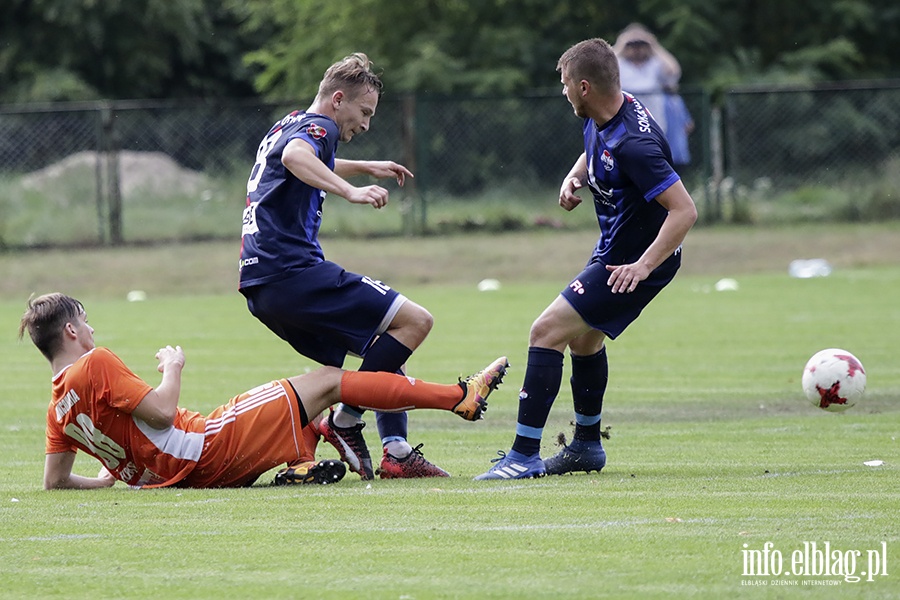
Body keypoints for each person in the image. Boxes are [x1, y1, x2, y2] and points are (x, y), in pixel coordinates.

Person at [476, 38, 697, 480]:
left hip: (634, 260)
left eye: (563, 84)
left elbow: (684, 210)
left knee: (546, 330)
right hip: (616, 248)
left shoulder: (635, 143)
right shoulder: (610, 109)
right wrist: (575, 175)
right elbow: (599, 147)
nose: (561, 92)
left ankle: (523, 455)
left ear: (583, 86)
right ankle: (586, 447)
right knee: (583, 339)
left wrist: (643, 266)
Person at [18, 293, 509, 490]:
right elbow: (164, 414)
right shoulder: (94, 364)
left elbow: (55, 482)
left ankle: (301, 459)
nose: (92, 329)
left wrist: (108, 481)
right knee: (328, 381)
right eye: (86, 321)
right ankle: (458, 396)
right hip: (206, 445)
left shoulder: (56, 410)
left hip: (188, 476)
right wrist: (173, 366)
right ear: (71, 333)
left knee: (310, 403)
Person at [238, 53, 441, 481]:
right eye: (364, 112)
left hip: (262, 285)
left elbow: (294, 154)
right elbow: (296, 157)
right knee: (415, 322)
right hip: (292, 272)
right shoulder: (320, 128)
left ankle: (395, 450)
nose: (366, 124)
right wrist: (351, 190)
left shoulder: (289, 121)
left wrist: (364, 165)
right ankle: (345, 419)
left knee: (384, 345)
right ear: (337, 100)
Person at [612, 23, 680, 134]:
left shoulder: (655, 63)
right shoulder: (618, 63)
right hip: (625, 119)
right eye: (632, 45)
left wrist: (654, 45)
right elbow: (601, 67)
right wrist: (621, 44)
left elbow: (674, 71)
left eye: (640, 44)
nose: (636, 49)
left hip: (653, 120)